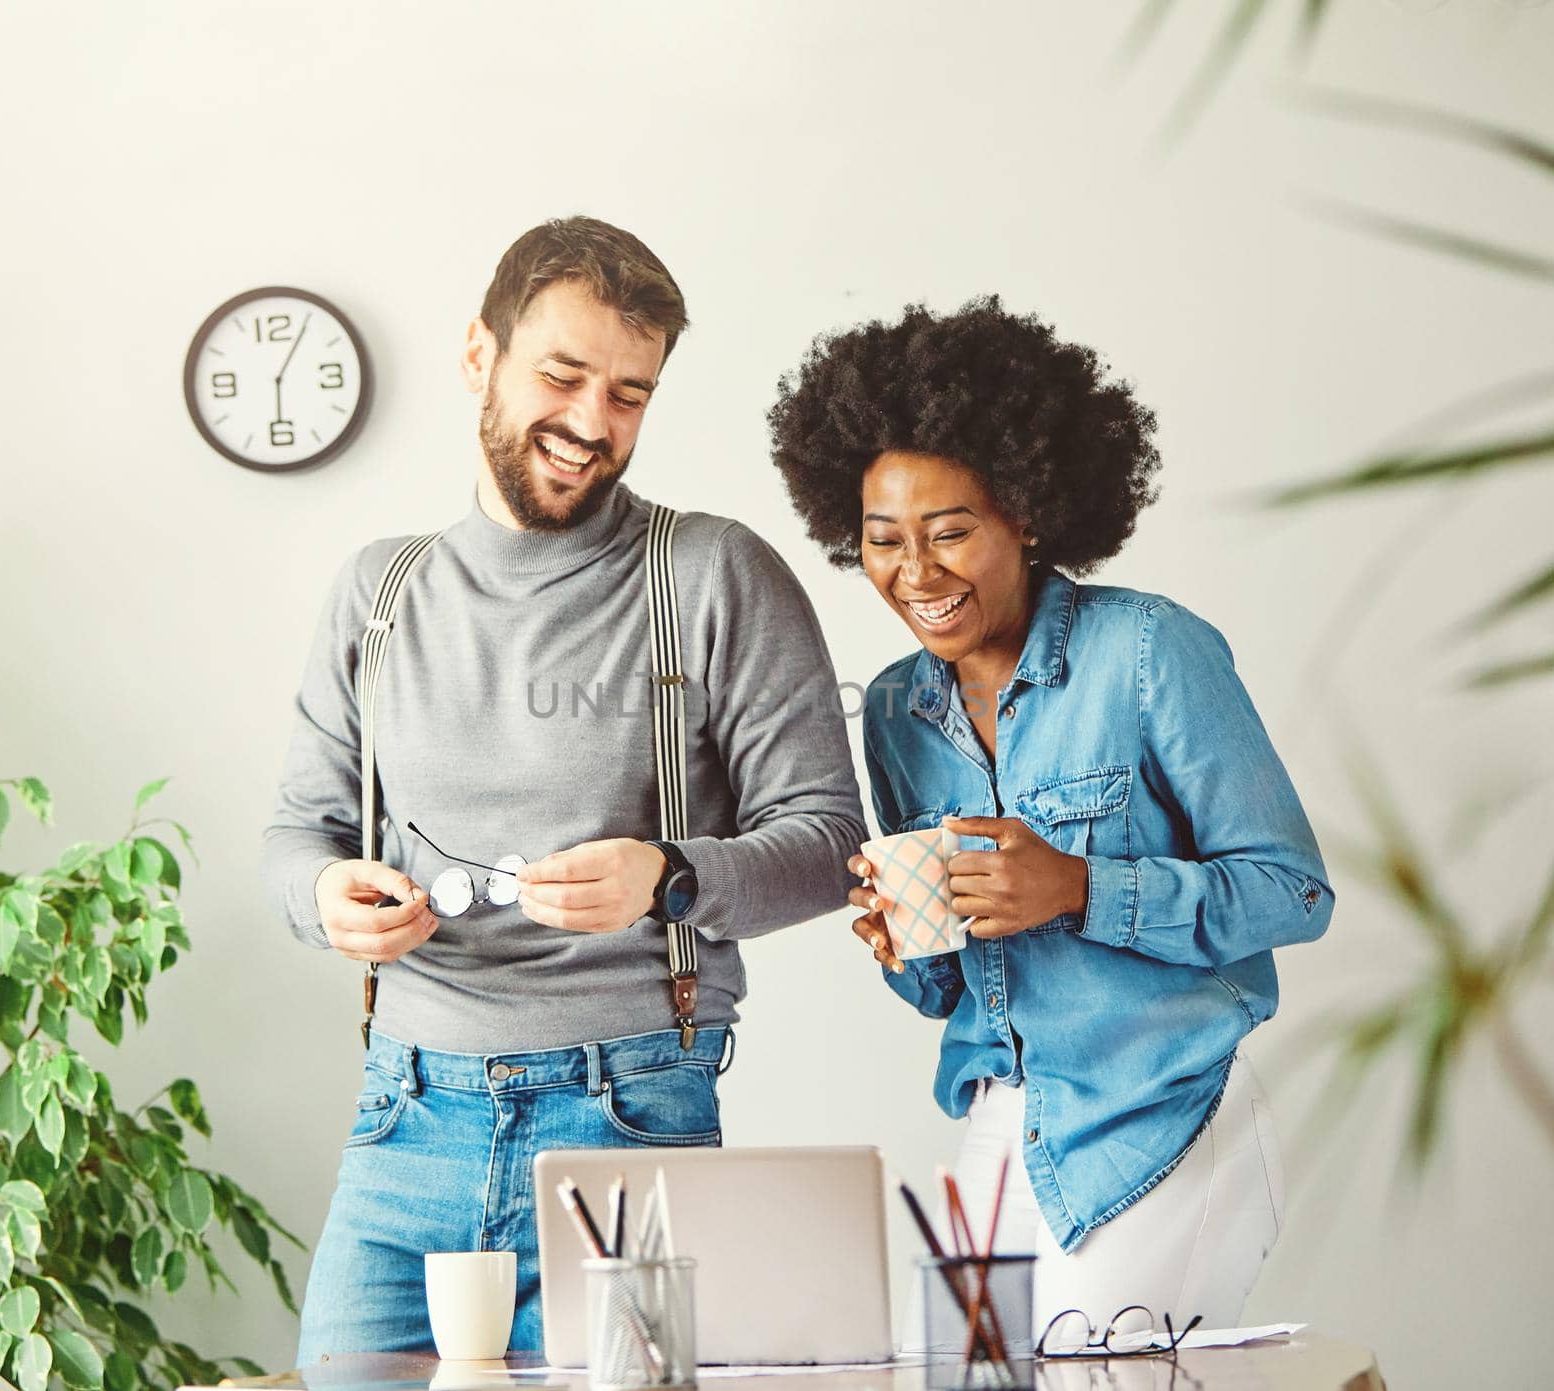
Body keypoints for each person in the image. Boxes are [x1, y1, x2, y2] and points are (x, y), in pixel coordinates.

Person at [263, 216, 865, 1358]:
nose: (593, 423)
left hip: (629, 1116)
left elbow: (833, 841)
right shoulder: (378, 594)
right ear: (478, 356)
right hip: (403, 1120)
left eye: (630, 393)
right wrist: (326, 891)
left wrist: (671, 876)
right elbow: (300, 829)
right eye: (564, 374)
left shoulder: (709, 572)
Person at [767, 297, 1333, 1341]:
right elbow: (950, 986)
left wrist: (1077, 887)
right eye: (882, 540)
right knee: (950, 1375)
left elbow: (1293, 890)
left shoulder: (1150, 651)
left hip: (1159, 1111)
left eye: (950, 531)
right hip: (997, 1118)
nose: (915, 572)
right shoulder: (898, 706)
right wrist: (904, 942)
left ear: (1026, 513)